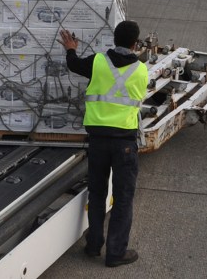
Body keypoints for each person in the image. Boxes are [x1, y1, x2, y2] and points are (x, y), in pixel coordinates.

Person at [61, 21, 148, 268]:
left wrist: (70, 48)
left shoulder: (97, 62)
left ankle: (93, 245)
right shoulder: (141, 71)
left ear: (114, 39)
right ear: (135, 43)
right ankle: (116, 253)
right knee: (123, 198)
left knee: (97, 194)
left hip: (98, 141)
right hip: (125, 144)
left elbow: (73, 64)